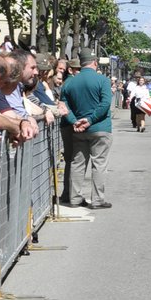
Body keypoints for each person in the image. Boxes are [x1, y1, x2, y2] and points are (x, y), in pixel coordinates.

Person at [60, 48, 113, 209]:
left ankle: (74, 198)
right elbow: (105, 104)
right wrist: (90, 120)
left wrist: (74, 121)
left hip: (78, 130)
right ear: (95, 62)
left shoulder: (69, 82)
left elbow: (63, 105)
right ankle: (97, 200)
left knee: (77, 163)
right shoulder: (102, 80)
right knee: (99, 164)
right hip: (100, 127)